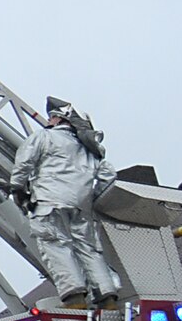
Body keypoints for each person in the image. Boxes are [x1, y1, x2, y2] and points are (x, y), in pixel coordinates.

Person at [12, 96, 120, 308]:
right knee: (88, 248)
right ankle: (107, 297)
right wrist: (92, 198)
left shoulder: (44, 137)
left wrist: (18, 189)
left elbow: (24, 163)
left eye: (51, 117)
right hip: (82, 207)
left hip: (49, 203)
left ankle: (75, 297)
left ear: (58, 119)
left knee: (55, 244)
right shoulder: (91, 149)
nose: (48, 120)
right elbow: (108, 176)